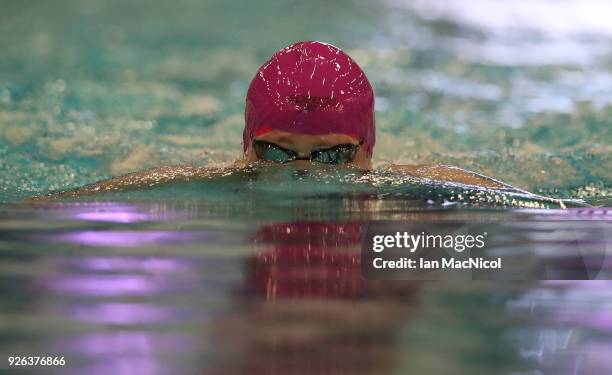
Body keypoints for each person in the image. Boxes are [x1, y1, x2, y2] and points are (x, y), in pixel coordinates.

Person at [33, 41, 535, 201]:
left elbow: (519, 201)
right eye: (275, 152)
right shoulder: (214, 179)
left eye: (332, 156)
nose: (302, 172)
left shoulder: (405, 188)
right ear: (246, 144)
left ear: (368, 149)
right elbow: (106, 192)